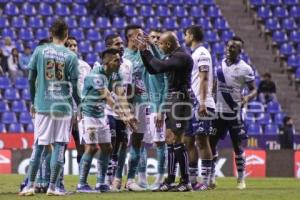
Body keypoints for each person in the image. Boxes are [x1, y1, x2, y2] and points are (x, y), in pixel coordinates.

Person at [19, 19, 81, 196]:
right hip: (63, 106)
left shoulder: (40, 51)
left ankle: (30, 185)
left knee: (39, 145)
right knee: (59, 146)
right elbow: (75, 86)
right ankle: (53, 187)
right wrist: (81, 104)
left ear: (51, 34)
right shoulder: (71, 56)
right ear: (66, 35)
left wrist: (33, 101)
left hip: (43, 104)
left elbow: (31, 79)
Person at [139, 31, 194, 192]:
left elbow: (158, 66)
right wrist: (144, 51)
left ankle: (185, 181)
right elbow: (152, 70)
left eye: (161, 44)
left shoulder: (181, 57)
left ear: (168, 44)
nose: (159, 46)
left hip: (180, 99)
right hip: (173, 98)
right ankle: (170, 180)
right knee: (170, 139)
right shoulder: (173, 56)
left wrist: (146, 50)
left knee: (177, 139)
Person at [76, 49, 136, 193]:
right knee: (91, 147)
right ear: (107, 62)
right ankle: (81, 184)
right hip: (88, 115)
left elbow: (120, 95)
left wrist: (128, 114)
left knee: (107, 147)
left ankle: (100, 183)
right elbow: (108, 97)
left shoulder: (115, 74)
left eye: (120, 59)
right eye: (116, 60)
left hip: (100, 114)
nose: (120, 62)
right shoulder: (96, 74)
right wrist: (123, 116)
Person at [210, 36, 257, 190]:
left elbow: (254, 89)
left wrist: (247, 98)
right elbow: (215, 84)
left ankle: (241, 179)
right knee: (211, 144)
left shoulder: (245, 68)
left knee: (237, 146)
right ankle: (211, 176)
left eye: (233, 47)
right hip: (217, 112)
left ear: (240, 50)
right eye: (228, 46)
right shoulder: (220, 63)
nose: (229, 49)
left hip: (234, 111)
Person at [184, 25, 215, 191]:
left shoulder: (202, 53)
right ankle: (193, 179)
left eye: (186, 35)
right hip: (192, 103)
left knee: (202, 140)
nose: (184, 38)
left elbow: (204, 78)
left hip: (201, 103)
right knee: (188, 140)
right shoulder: (195, 54)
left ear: (191, 35)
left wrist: (203, 102)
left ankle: (208, 179)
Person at [136, 28, 167, 191]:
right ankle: (142, 179)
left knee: (160, 143)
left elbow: (165, 88)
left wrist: (162, 109)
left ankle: (160, 178)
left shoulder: (164, 59)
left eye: (157, 38)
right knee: (140, 142)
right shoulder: (145, 58)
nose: (154, 39)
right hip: (142, 105)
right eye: (152, 37)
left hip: (157, 106)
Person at [102, 34, 133, 191]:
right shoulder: (100, 66)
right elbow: (105, 93)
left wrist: (127, 112)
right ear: (109, 46)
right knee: (110, 144)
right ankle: (106, 179)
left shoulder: (127, 64)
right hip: (108, 110)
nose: (121, 45)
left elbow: (126, 91)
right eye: (117, 43)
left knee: (122, 143)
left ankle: (116, 178)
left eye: (122, 43)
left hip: (122, 109)